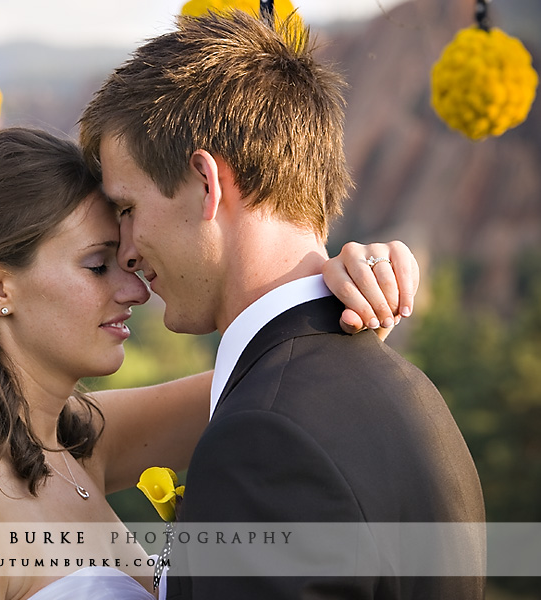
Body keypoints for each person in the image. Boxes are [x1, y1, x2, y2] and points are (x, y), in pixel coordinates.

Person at [0, 127, 421, 599]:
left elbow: (281, 381)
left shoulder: (79, 441)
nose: (135, 289)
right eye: (97, 265)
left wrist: (358, 283)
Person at [79, 9, 485, 600]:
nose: (129, 250)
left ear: (205, 183)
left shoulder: (265, 438)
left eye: (128, 209)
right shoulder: (412, 393)